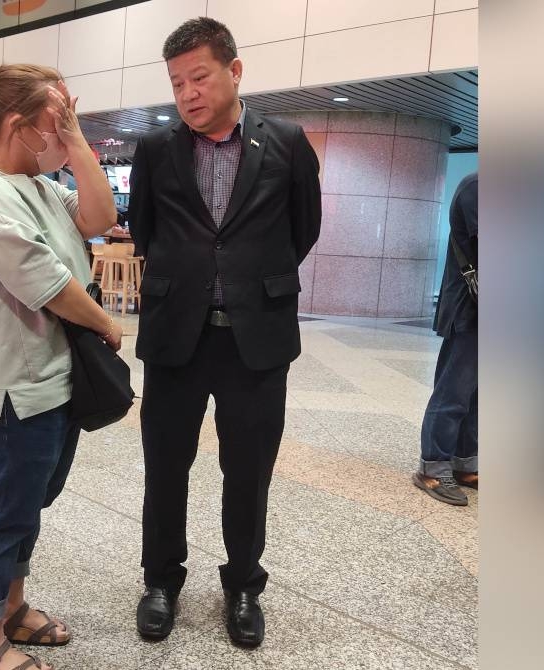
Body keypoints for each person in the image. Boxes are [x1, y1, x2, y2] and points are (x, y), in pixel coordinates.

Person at [128, 17, 321, 648]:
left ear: (234, 71)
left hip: (255, 339)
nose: (187, 93)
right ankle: (161, 581)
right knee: (165, 466)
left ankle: (243, 585)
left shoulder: (287, 142)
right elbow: (146, 230)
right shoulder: (155, 149)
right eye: (177, 83)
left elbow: (303, 229)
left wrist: (247, 280)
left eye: (199, 77)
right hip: (175, 338)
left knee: (249, 471)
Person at [0, 64, 119, 670]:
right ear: (19, 125)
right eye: (56, 120)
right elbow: (47, 284)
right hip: (12, 388)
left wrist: (76, 140)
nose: (64, 129)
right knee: (4, 510)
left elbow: (100, 218)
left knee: (28, 503)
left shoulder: (38, 187)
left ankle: (12, 607)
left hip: (51, 380)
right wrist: (104, 322)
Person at [414, 172, 479, 506]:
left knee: (478, 396)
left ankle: (465, 463)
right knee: (453, 392)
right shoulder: (477, 187)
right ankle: (433, 466)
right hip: (471, 310)